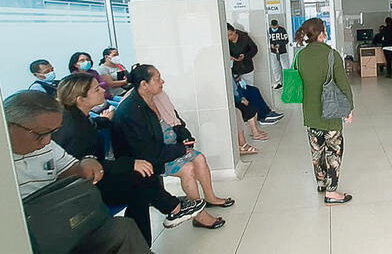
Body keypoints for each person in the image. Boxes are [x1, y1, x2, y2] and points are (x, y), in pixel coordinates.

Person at [54, 73, 206, 245]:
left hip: (97, 176)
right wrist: (130, 163)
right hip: (85, 188)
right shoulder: (73, 128)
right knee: (138, 176)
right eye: (96, 89)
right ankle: (173, 208)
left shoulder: (78, 116)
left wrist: (105, 120)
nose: (103, 89)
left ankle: (146, 240)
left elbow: (94, 126)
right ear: (80, 99)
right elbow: (84, 167)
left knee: (139, 188)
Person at [5, 90, 152, 254]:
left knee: (123, 228)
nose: (47, 141)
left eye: (52, 133)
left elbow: (74, 169)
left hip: (60, 219)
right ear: (8, 126)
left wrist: (88, 162)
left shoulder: (47, 146)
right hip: (31, 235)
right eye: (40, 134)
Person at [112, 64, 233, 230]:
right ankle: (199, 215)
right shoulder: (132, 110)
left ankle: (210, 198)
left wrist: (186, 137)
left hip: (170, 147)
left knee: (199, 158)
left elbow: (176, 122)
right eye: (157, 79)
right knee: (188, 168)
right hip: (149, 159)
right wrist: (180, 149)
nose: (162, 81)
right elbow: (149, 151)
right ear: (144, 84)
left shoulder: (159, 97)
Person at [295, 18, 354, 205]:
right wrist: (348, 108)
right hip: (331, 110)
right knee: (334, 151)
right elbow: (343, 83)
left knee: (317, 150)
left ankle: (321, 182)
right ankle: (332, 192)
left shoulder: (300, 56)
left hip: (310, 112)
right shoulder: (331, 54)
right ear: (322, 33)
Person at [232, 75, 270, 142]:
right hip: (233, 98)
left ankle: (255, 130)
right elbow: (233, 89)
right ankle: (255, 133)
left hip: (237, 94)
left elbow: (236, 87)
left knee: (254, 95)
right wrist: (240, 99)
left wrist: (242, 97)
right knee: (249, 108)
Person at [268, 19, 290, 89]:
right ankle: (279, 83)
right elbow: (267, 40)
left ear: (277, 25)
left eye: (275, 27)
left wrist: (279, 44)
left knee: (285, 68)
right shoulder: (269, 31)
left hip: (283, 52)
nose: (274, 28)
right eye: (273, 27)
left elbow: (286, 40)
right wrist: (271, 45)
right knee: (275, 68)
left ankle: (287, 83)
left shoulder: (282, 30)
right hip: (273, 52)